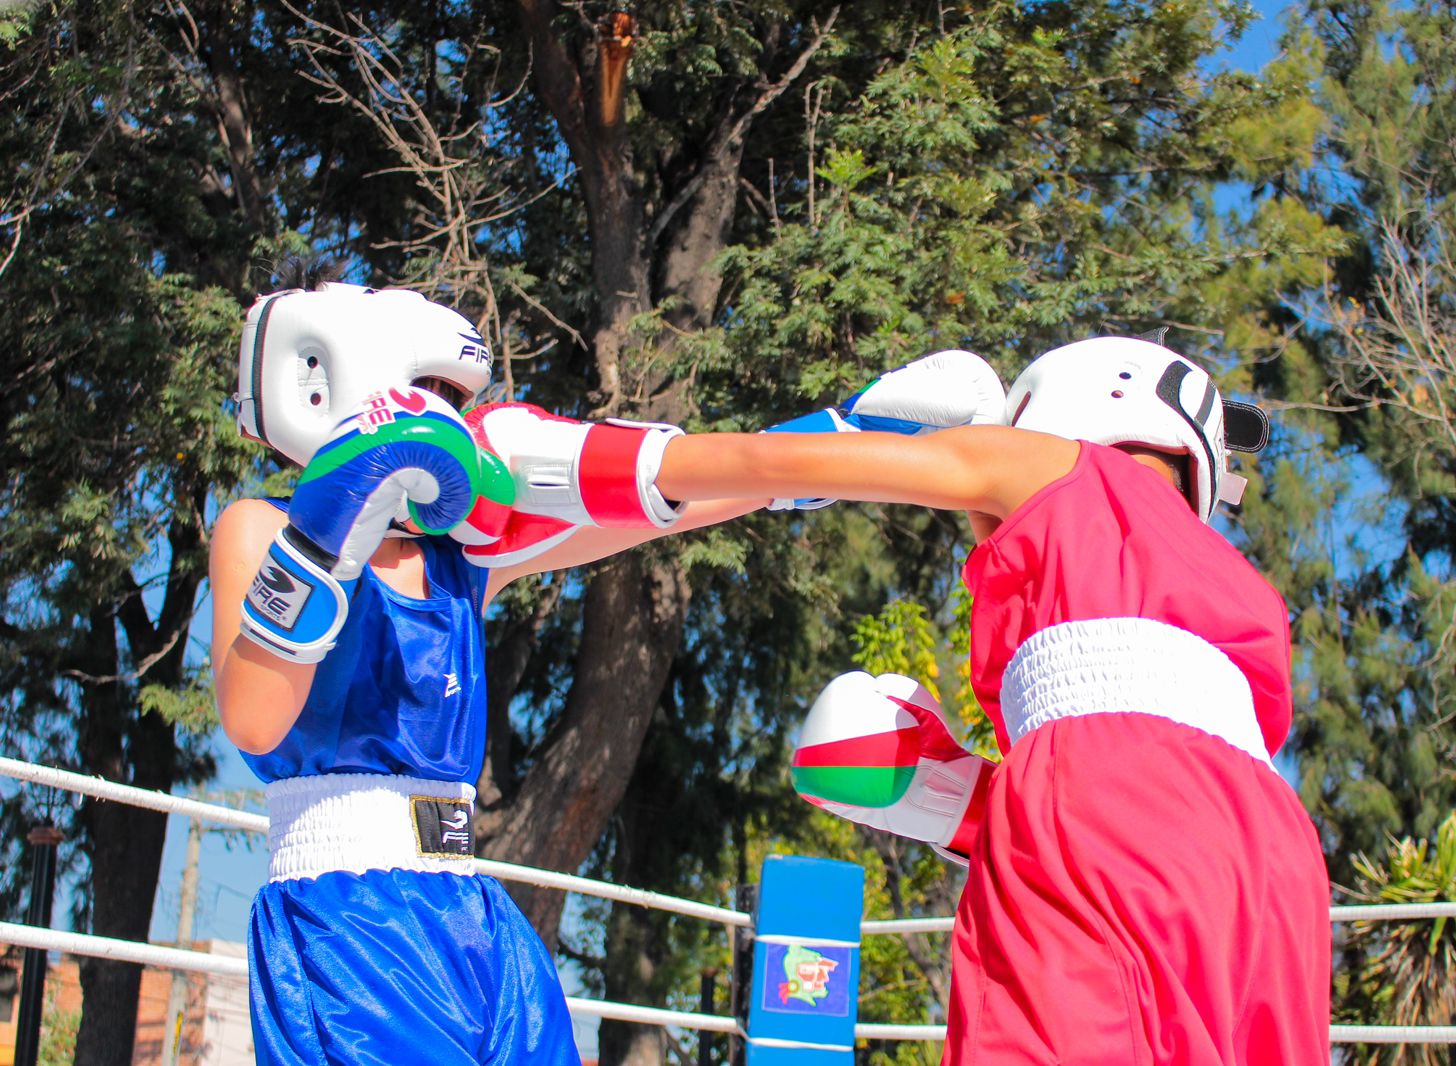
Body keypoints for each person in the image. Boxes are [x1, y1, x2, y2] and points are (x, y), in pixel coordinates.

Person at [208, 263, 1004, 1064]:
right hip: (347, 923)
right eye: (435, 399)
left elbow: (659, 504)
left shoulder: (464, 561)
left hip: (470, 912)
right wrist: (328, 528)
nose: (452, 425)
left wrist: (842, 437)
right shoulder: (258, 528)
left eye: (456, 404)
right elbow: (253, 717)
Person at [513, 335, 1331, 1064]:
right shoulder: (1249, 591)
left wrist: (584, 457)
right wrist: (965, 803)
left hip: (1100, 794)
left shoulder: (1047, 466)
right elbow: (1187, 794)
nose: (981, 532)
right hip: (1277, 861)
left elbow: (792, 466)